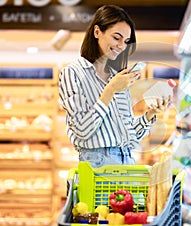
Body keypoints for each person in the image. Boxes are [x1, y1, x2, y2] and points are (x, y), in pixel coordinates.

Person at [58, 5, 171, 168]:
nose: (121, 46)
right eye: (116, 37)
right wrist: (110, 90)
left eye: (125, 41)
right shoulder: (72, 73)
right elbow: (82, 131)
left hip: (127, 162)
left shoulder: (117, 77)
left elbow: (130, 137)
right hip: (97, 165)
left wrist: (150, 114)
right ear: (97, 32)